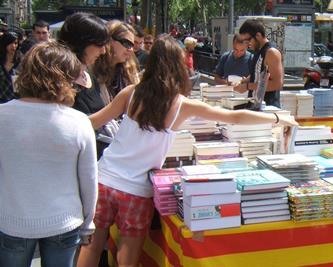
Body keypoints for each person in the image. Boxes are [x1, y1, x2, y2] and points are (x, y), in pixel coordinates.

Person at [76, 35, 297, 267]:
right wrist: (275, 118)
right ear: (178, 65)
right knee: (127, 258)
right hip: (136, 189)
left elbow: (92, 121)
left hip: (104, 178)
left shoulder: (131, 92)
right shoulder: (180, 104)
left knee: (91, 246)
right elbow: (234, 116)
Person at [0, 42, 97, 267]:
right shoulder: (78, 122)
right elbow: (89, 182)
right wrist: (88, 223)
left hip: (11, 220)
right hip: (64, 221)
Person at [57, 12, 110, 158]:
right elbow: (71, 126)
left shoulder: (90, 75)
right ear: (81, 43)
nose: (103, 50)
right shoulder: (59, 81)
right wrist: (118, 106)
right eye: (99, 44)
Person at [234, 19, 284, 108]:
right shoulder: (258, 51)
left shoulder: (271, 52)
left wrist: (247, 86)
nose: (247, 44)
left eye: (248, 40)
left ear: (258, 35)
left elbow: (277, 84)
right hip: (255, 106)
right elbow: (259, 73)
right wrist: (244, 81)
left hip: (267, 108)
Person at [92, 20, 139, 104]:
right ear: (109, 40)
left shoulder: (130, 73)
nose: (130, 49)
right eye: (126, 43)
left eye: (132, 45)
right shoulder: (92, 71)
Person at [0, 32, 19, 103]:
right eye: (10, 43)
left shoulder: (20, 61)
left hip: (17, 100)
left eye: (16, 43)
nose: (13, 46)